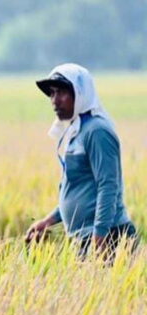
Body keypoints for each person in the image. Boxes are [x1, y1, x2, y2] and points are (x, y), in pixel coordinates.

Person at [25, 63, 138, 262]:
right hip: (86, 239)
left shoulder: (97, 131)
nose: (55, 100)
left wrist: (100, 235)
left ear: (80, 93)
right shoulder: (76, 131)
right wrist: (48, 221)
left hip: (109, 237)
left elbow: (108, 185)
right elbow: (80, 190)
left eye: (61, 92)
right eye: (52, 93)